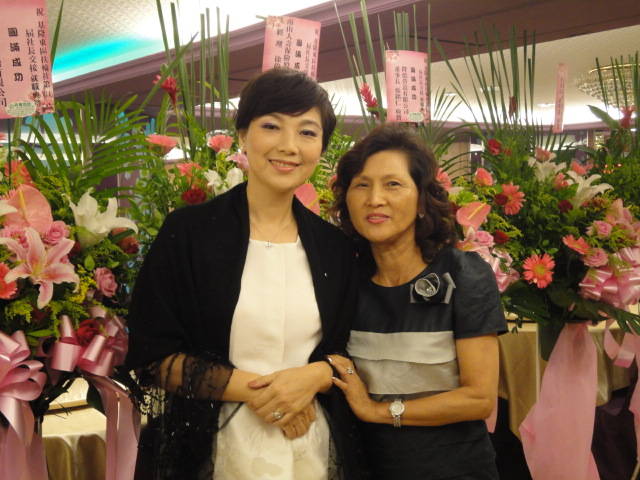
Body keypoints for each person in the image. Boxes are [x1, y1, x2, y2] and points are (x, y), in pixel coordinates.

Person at [126, 68, 367, 479]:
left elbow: (351, 348)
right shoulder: (189, 233)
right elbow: (153, 357)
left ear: (321, 147)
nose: (289, 146)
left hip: (311, 444)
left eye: (307, 132)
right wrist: (269, 393)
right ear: (242, 135)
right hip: (213, 449)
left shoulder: (336, 247)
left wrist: (316, 376)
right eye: (272, 126)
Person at [328, 124, 506, 479]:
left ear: (422, 200)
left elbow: (479, 399)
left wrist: (377, 411)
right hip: (365, 466)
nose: (374, 199)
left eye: (393, 184)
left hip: (454, 470)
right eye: (361, 185)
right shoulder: (343, 281)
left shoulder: (464, 275)